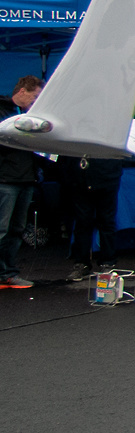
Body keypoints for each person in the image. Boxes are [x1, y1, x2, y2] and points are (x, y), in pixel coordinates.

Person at [0, 76, 43, 289]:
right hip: (5, 179)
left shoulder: (31, 117)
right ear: (23, 91)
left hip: (27, 178)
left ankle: (8, 273)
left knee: (16, 229)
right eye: (35, 96)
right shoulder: (2, 111)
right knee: (2, 229)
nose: (36, 101)